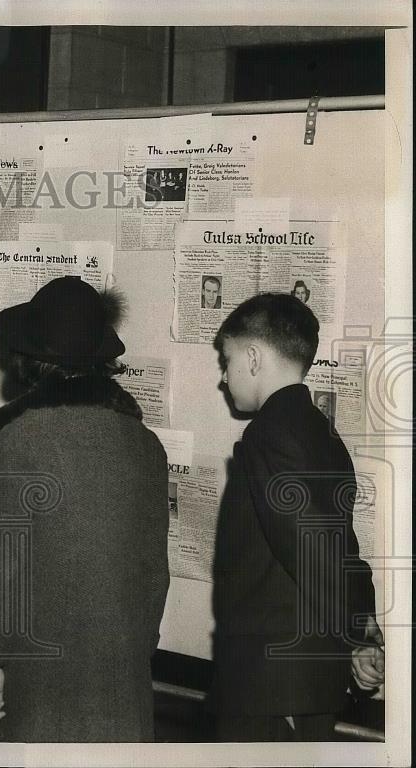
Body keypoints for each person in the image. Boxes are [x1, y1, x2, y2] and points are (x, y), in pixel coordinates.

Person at [0, 276, 170, 742]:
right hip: (122, 668)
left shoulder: (21, 439)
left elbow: (5, 569)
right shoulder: (147, 445)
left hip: (42, 672)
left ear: (31, 360)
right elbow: (153, 570)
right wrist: (138, 650)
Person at [210, 293, 385, 741]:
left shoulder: (271, 434)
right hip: (305, 681)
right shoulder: (323, 434)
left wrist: (355, 636)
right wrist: (361, 632)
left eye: (226, 361)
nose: (223, 377)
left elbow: (315, 552)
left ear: (252, 357)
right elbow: (343, 548)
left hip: (271, 687)